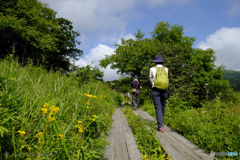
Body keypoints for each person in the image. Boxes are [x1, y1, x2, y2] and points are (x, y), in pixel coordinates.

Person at [149, 55, 168, 132]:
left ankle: (160, 125)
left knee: (158, 107)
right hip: (164, 89)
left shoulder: (152, 69)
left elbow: (150, 80)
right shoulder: (166, 69)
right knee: (163, 106)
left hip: (155, 89)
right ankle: (161, 123)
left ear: (155, 62)